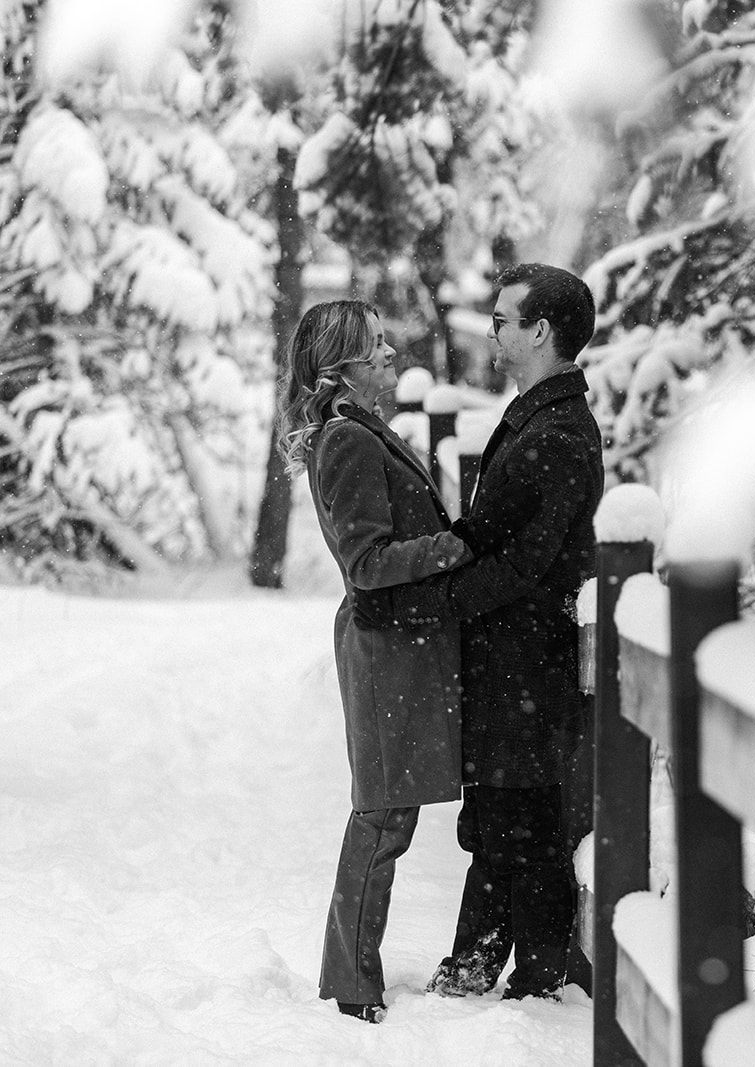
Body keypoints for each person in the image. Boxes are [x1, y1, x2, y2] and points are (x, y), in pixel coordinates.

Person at [356, 263, 605, 1001]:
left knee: (519, 815)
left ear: (540, 330)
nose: (492, 327)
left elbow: (524, 560)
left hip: (527, 657)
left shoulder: (560, 430)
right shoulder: (535, 412)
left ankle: (535, 974)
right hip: (506, 655)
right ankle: (488, 968)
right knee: (502, 814)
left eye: (503, 318)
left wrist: (431, 601)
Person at [279, 299, 472, 1024]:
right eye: (379, 345)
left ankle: (351, 971)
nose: (393, 354)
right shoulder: (348, 441)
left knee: (391, 812)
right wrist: (460, 544)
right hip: (386, 645)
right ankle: (351, 982)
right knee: (383, 815)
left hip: (400, 642)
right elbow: (366, 561)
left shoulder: (359, 429)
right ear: (345, 366)